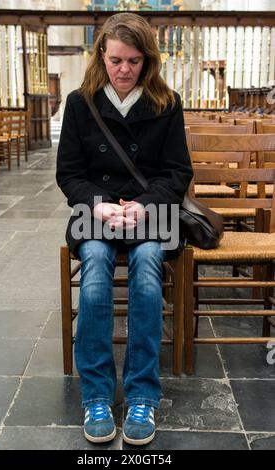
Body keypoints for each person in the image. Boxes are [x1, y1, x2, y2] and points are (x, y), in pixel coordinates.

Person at [56, 12, 193, 446]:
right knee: (95, 267)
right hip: (95, 213)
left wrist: (144, 207)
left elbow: (176, 172)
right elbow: (69, 174)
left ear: (148, 60)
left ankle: (141, 395)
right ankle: (96, 394)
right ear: (102, 56)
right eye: (116, 60)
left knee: (149, 267)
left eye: (134, 61)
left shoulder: (166, 103)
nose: (124, 70)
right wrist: (100, 208)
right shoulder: (81, 102)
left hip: (150, 214)